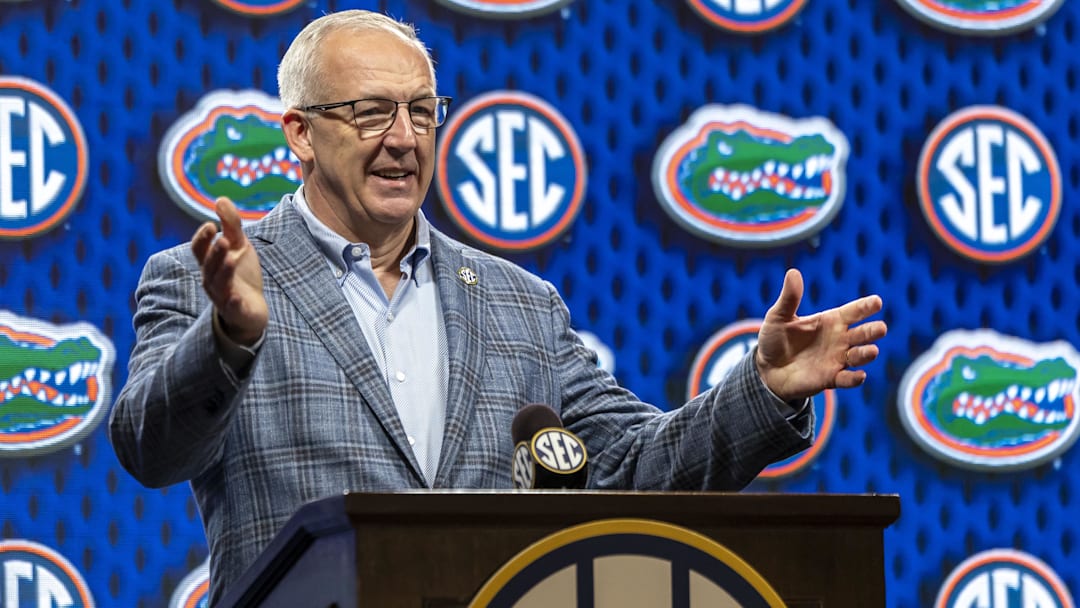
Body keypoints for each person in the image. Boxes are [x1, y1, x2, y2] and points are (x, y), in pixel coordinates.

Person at [108, 9, 887, 605]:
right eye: (372, 112)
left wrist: (763, 388)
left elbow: (634, 469)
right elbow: (151, 449)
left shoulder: (519, 302)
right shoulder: (203, 280)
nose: (404, 139)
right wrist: (230, 338)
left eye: (422, 111)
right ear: (300, 135)